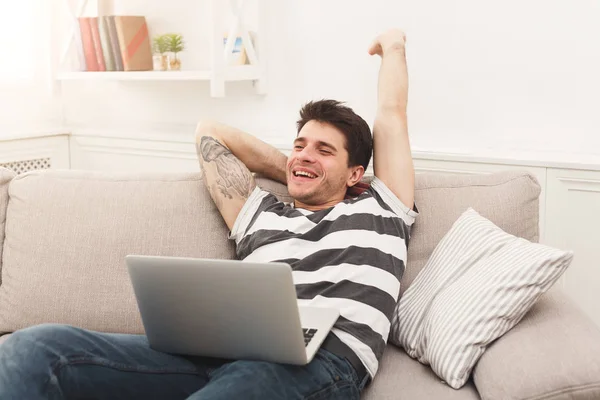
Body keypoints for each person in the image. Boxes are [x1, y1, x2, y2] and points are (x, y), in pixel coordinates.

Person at [0, 28, 417, 400]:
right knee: (32, 349)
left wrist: (393, 46)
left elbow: (391, 114)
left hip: (323, 365)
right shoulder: (258, 212)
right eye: (300, 144)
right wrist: (298, 171)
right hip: (224, 355)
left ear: (356, 173)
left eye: (324, 150)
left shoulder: (382, 206)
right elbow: (209, 132)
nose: (305, 154)